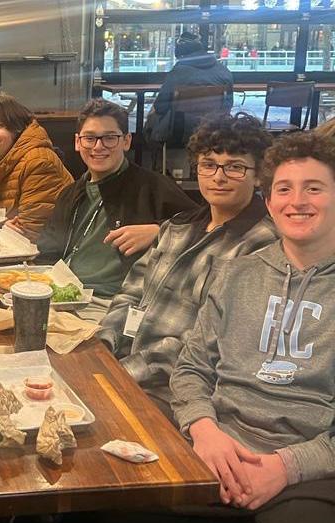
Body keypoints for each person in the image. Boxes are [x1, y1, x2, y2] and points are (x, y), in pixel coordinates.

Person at [81, 130, 335, 523]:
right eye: (285, 188)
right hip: (214, 450)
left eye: (314, 188)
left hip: (305, 472)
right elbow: (193, 368)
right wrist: (205, 431)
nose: (297, 201)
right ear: (269, 196)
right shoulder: (240, 271)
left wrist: (285, 466)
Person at [98, 112, 277, 413]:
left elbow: (210, 343)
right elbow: (131, 293)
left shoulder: (262, 246)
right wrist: (104, 344)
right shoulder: (176, 227)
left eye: (235, 167)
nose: (218, 177)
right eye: (209, 164)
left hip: (180, 393)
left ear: (258, 175)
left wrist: (123, 372)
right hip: (126, 369)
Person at [37, 98, 196, 322]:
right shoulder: (71, 193)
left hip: (114, 304)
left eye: (110, 138)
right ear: (77, 142)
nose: (98, 147)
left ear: (126, 141)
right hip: (63, 296)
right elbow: (48, 248)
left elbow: (207, 227)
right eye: (90, 138)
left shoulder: (152, 187)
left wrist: (160, 231)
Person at [0, 93, 74, 241]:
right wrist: (0, 225)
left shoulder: (39, 162)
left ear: (16, 128)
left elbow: (31, 232)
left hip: (43, 251)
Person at [145, 32, 233, 144]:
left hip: (178, 132)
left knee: (151, 117)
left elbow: (160, 107)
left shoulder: (178, 72)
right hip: (212, 131)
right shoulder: (224, 71)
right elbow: (227, 105)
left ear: (182, 56)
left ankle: (147, 151)